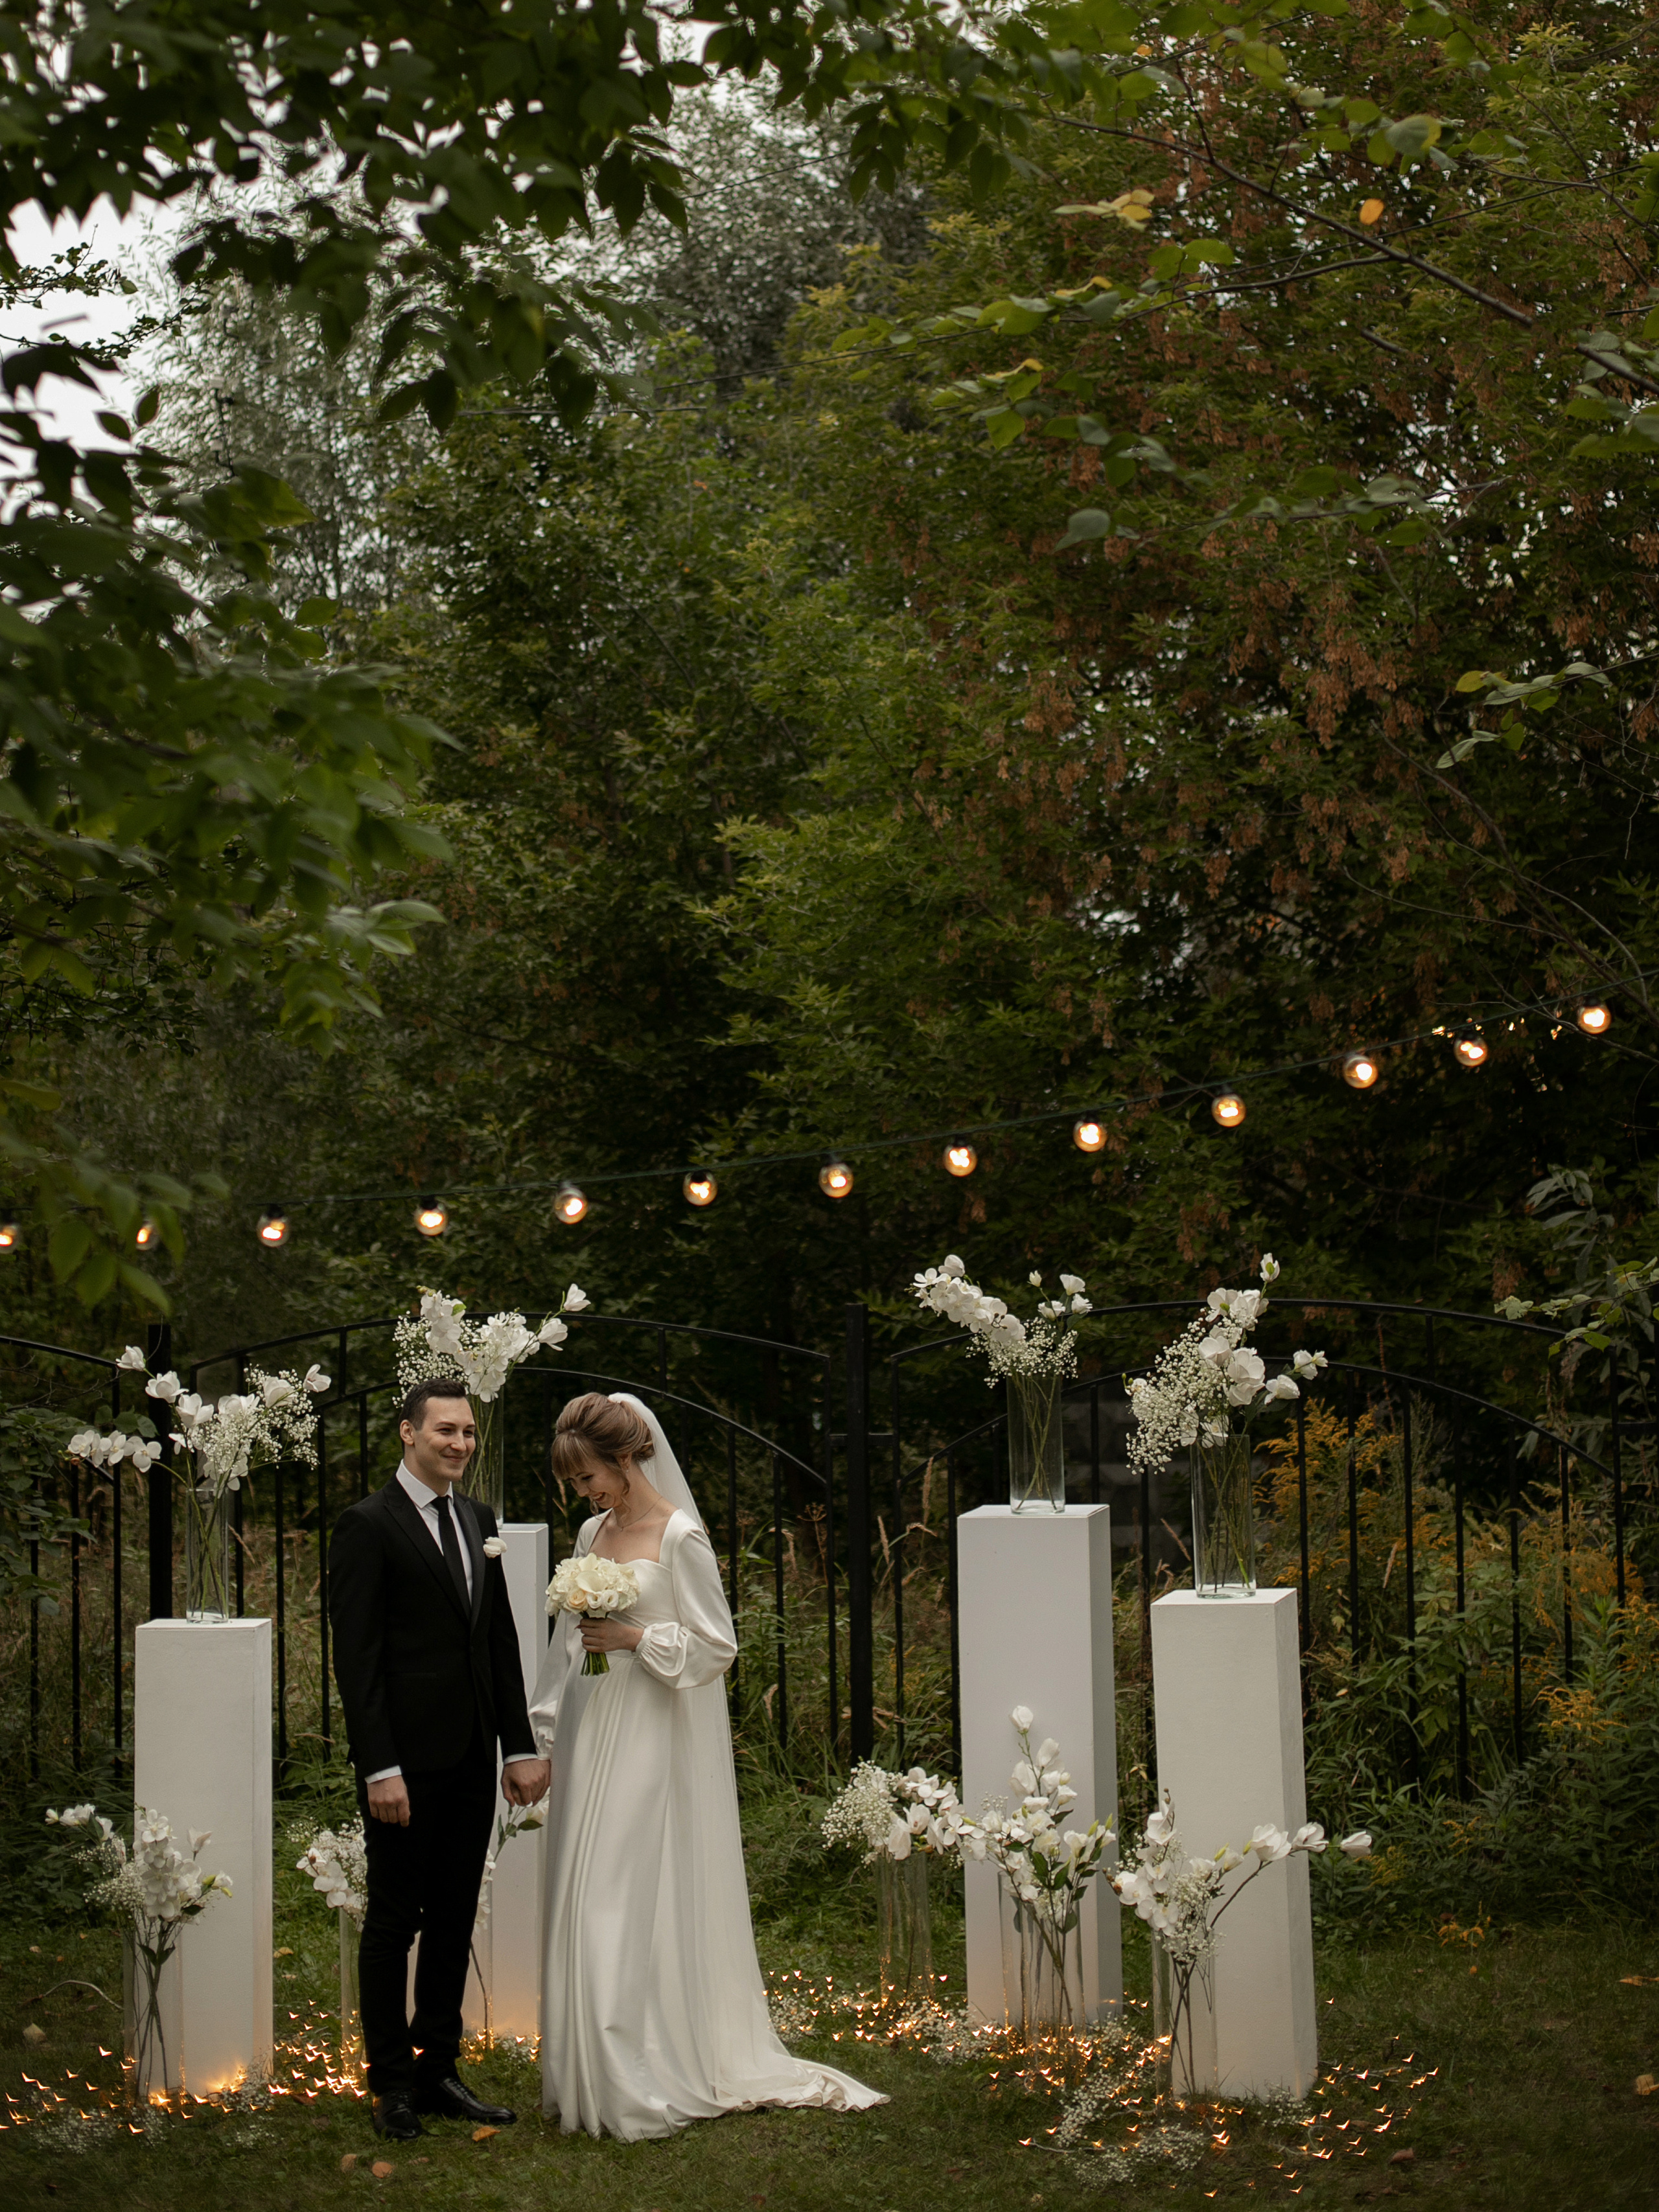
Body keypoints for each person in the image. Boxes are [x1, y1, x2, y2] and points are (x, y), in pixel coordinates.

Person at [529, 1390, 885, 2140]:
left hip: (648, 1734)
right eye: (575, 1482)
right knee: (580, 1884)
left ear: (624, 1459)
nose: (583, 1493)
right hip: (593, 1727)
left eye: (589, 1476)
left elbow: (716, 1646)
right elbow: (565, 1649)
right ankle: (589, 2066)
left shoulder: (679, 1536)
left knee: (619, 1891)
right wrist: (548, 1736)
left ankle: (633, 2072)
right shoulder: (593, 1531)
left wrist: (634, 1640)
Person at [329, 1377, 551, 2143]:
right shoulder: (366, 1525)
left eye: (468, 1432)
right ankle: (392, 2083)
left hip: (471, 1756)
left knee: (455, 1917)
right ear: (408, 1432)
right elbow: (357, 1661)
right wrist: (379, 1768)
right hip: (404, 1764)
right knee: (395, 1922)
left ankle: (439, 2070)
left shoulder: (477, 1519)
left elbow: (498, 1641)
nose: (459, 1444)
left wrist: (517, 1745)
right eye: (445, 1430)